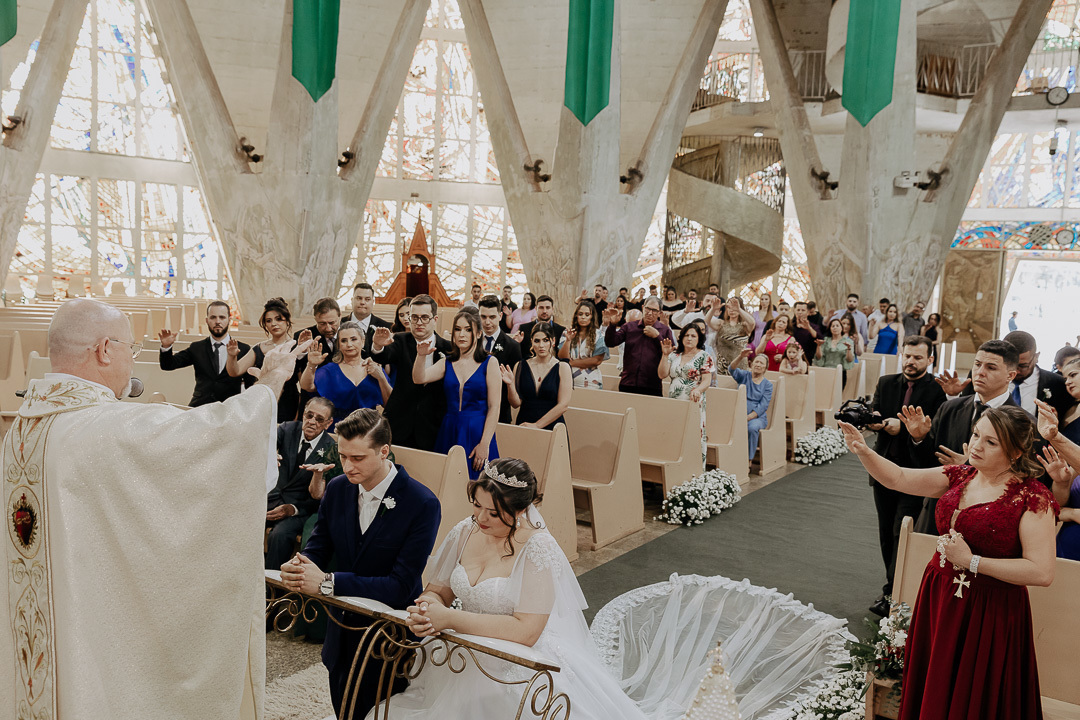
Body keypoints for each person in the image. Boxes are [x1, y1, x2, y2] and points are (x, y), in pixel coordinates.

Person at [1, 298, 306, 720]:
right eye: (130, 347)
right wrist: (270, 383)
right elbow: (214, 439)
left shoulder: (21, 431)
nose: (132, 359)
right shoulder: (101, 429)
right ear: (105, 349)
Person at [378, 458, 652, 720]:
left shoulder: (538, 548)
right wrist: (427, 608)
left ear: (521, 510)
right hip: (458, 655)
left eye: (494, 513)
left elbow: (527, 630)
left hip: (515, 666)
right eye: (477, 505)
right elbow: (438, 590)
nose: (481, 518)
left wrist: (450, 618)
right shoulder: (465, 530)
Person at [839, 406, 1058, 720]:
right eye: (976, 435)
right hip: (940, 595)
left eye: (991, 442)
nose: (977, 446)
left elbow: (1042, 571)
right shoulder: (961, 476)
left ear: (1017, 451)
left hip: (989, 610)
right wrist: (863, 451)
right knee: (937, 680)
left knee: (977, 692)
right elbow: (899, 478)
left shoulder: (1032, 498)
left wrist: (972, 562)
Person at [280, 409, 440, 720]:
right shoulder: (338, 488)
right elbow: (319, 547)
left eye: (358, 458)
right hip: (340, 632)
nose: (348, 466)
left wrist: (328, 582)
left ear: (384, 451)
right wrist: (299, 566)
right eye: (342, 456)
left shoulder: (422, 503)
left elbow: (400, 586)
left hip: (388, 641)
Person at [864, 336, 947, 616]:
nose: (911, 362)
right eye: (907, 356)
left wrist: (905, 430)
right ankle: (891, 586)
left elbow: (935, 432)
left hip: (916, 471)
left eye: (918, 358)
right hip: (884, 467)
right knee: (887, 533)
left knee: (903, 532)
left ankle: (894, 592)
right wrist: (875, 421)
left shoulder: (936, 391)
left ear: (930, 360)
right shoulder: (887, 382)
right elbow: (876, 414)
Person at [901, 340, 1020, 533]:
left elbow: (1023, 479)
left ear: (1010, 375)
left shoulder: (1021, 422)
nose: (980, 372)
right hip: (936, 512)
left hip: (986, 522)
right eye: (977, 364)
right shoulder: (950, 408)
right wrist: (919, 438)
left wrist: (971, 467)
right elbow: (926, 462)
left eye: (990, 367)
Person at [414, 311, 500, 478]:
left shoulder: (490, 362)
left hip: (478, 430)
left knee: (477, 483)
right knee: (446, 482)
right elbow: (419, 378)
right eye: (458, 329)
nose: (462, 334)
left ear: (478, 333)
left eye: (468, 329)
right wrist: (421, 356)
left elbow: (494, 406)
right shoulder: (447, 362)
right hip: (450, 428)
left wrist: (484, 444)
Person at [369, 295, 454, 451]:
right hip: (399, 421)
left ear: (434, 319)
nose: (419, 322)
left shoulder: (448, 348)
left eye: (424, 317)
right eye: (414, 317)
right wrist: (377, 345)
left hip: (433, 425)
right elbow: (383, 355)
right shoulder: (400, 341)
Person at [266, 397, 336, 570]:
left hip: (300, 508)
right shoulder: (287, 429)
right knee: (245, 519)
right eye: (309, 415)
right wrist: (268, 454)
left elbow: (319, 498)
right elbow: (266, 444)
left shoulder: (330, 449)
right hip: (271, 497)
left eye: (319, 419)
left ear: (328, 423)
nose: (312, 421)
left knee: (280, 534)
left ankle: (271, 586)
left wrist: (292, 509)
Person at [158, 300, 252, 406]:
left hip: (229, 407)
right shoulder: (196, 347)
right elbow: (168, 365)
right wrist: (166, 347)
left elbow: (251, 385)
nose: (217, 321)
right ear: (207, 321)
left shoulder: (243, 349)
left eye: (222, 317)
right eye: (213, 317)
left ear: (229, 320)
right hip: (199, 406)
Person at [300, 321, 390, 426]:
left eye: (353, 339)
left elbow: (389, 403)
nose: (349, 345)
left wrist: (381, 377)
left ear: (362, 341)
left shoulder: (375, 368)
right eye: (344, 341)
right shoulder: (330, 370)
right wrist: (311, 364)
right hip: (338, 427)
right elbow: (307, 386)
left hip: (368, 427)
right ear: (338, 345)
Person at [227, 296, 300, 421]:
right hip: (261, 405)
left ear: (287, 321)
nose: (274, 324)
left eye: (279, 319)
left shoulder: (296, 347)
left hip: (288, 406)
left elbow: (303, 386)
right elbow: (235, 371)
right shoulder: (258, 348)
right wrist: (231, 356)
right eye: (269, 320)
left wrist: (297, 417)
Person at [660, 324, 716, 468]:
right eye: (686, 335)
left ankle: (695, 468)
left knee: (693, 434)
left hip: (693, 399)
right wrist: (665, 355)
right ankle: (675, 468)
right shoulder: (674, 355)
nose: (689, 339)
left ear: (699, 339)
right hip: (674, 400)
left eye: (693, 336)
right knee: (675, 433)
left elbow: (707, 381)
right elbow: (662, 374)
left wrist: (698, 389)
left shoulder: (704, 356)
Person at [502, 322, 573, 429]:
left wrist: (537, 425)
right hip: (525, 423)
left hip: (552, 425)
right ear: (531, 342)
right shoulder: (520, 365)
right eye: (537, 341)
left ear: (553, 341)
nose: (541, 345)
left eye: (545, 340)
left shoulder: (563, 367)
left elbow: (563, 405)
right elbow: (515, 404)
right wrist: (510, 385)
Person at [603, 296, 673, 396]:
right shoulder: (629, 326)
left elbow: (670, 352)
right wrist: (613, 325)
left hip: (652, 385)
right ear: (643, 307)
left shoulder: (665, 330)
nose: (650, 313)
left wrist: (657, 336)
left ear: (659, 313)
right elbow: (610, 343)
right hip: (628, 382)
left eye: (654, 310)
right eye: (648, 309)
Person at [478, 295, 522, 424]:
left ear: (500, 316)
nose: (487, 322)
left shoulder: (512, 346)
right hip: (473, 410)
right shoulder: (472, 341)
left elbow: (515, 386)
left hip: (500, 413)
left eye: (492, 317)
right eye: (483, 317)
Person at [559, 298, 610, 389]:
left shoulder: (598, 334)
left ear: (592, 317)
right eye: (580, 314)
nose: (583, 317)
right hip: (568, 378)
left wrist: (571, 363)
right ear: (576, 316)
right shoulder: (568, 332)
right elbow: (562, 358)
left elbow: (597, 360)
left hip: (591, 381)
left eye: (587, 314)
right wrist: (568, 341)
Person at [730, 354, 772, 462]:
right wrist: (740, 356)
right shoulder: (744, 376)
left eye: (761, 363)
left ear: (766, 368)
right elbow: (732, 368)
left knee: (752, 428)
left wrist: (748, 417)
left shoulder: (767, 385)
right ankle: (731, 456)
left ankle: (748, 460)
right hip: (738, 412)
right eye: (756, 362)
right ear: (751, 364)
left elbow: (763, 406)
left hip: (757, 417)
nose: (758, 365)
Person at [705, 295, 755, 375]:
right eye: (729, 307)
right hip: (722, 365)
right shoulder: (721, 323)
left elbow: (752, 322)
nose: (731, 310)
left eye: (734, 307)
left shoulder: (744, 325)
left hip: (740, 365)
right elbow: (707, 321)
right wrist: (713, 309)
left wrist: (738, 309)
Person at [347, 283, 393, 357]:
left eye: (367, 299)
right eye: (359, 298)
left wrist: (377, 347)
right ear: (352, 300)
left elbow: (389, 358)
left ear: (373, 302)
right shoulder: (340, 324)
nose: (362, 302)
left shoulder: (386, 327)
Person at [814, 317, 855, 385]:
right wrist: (818, 346)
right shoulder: (826, 340)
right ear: (830, 328)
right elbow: (819, 357)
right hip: (826, 372)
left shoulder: (848, 341)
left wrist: (848, 348)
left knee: (837, 394)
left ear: (841, 328)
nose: (835, 327)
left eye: (837, 326)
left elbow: (849, 359)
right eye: (833, 326)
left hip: (840, 373)